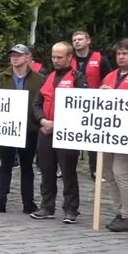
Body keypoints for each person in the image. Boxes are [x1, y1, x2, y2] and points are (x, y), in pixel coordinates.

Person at [31, 42, 88, 224]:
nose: (55, 60)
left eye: (59, 57)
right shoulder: (48, 77)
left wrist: (57, 124)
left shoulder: (78, 78)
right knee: (46, 171)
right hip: (45, 131)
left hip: (66, 133)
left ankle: (71, 209)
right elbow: (36, 103)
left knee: (68, 172)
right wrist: (42, 120)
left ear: (69, 57)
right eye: (53, 57)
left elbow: (82, 106)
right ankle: (47, 207)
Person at [0, 45, 45, 215]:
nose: (14, 58)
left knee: (27, 166)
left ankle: (28, 202)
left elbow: (42, 102)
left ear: (28, 57)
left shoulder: (39, 79)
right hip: (7, 129)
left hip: (29, 128)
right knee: (5, 165)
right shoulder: (0, 78)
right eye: (12, 55)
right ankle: (0, 201)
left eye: (18, 55)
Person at [102, 38, 128, 232]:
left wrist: (114, 93)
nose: (121, 57)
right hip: (109, 133)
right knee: (111, 174)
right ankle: (121, 211)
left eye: (126, 53)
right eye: (119, 53)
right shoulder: (110, 76)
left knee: (122, 172)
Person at [72, 30, 112, 179]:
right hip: (73, 103)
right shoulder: (69, 58)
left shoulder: (100, 59)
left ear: (88, 41)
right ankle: (67, 168)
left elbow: (108, 78)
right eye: (74, 40)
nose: (77, 42)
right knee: (71, 136)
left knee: (93, 137)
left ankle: (95, 170)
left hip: (95, 104)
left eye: (80, 39)